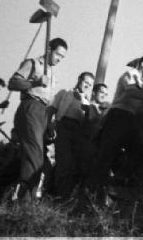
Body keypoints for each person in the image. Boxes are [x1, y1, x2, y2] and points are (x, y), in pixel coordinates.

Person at [85, 55, 143, 202]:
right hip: (119, 115)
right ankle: (91, 190)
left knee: (141, 150)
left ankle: (118, 182)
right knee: (107, 153)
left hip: (131, 118)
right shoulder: (130, 74)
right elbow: (131, 92)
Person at [9, 37, 67, 201]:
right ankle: (26, 201)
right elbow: (13, 83)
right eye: (58, 54)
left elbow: (48, 100)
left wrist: (49, 123)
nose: (59, 59)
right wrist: (34, 83)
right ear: (49, 49)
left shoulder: (52, 73)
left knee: (31, 157)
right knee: (35, 156)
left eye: (62, 57)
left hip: (44, 113)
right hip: (31, 107)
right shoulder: (33, 63)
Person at [47, 71, 95, 199]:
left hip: (78, 132)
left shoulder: (87, 101)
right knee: (63, 161)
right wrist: (49, 124)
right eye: (85, 82)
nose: (86, 86)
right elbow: (52, 108)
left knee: (73, 165)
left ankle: (63, 194)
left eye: (89, 85)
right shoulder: (65, 93)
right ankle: (53, 192)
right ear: (79, 79)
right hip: (63, 126)